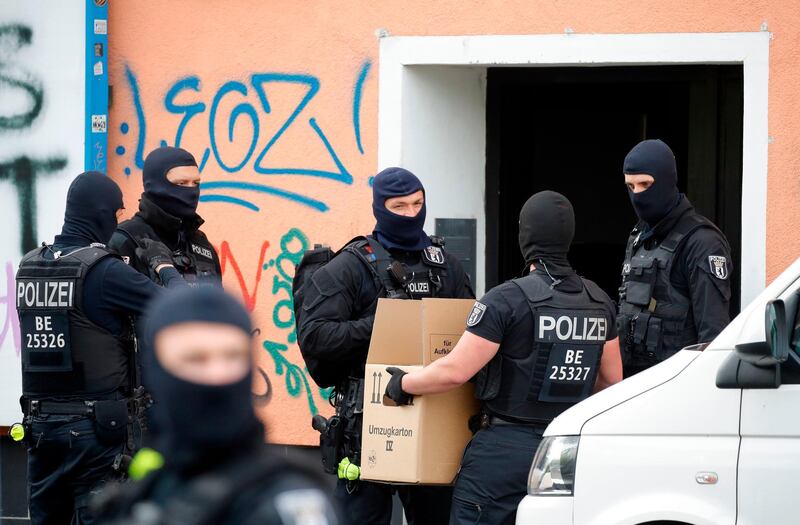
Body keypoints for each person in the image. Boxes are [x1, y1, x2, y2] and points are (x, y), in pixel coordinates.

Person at [383, 191, 623, 525]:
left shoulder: (505, 300)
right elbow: (611, 382)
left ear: (525, 237)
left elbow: (455, 371)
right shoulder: (599, 302)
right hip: (565, 451)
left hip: (502, 454)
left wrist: (403, 382)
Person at [297, 167, 474, 525]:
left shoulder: (445, 266)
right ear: (380, 208)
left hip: (435, 417)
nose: (411, 214)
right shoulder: (350, 266)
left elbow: (471, 333)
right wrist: (383, 323)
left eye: (417, 204)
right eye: (400, 207)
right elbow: (315, 337)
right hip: (366, 425)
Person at [15, 171, 185, 525]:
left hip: (40, 428)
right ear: (101, 212)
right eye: (117, 212)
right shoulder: (104, 272)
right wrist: (164, 266)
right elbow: (183, 309)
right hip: (94, 431)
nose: (118, 220)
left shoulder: (29, 267)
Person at [93, 286, 340, 525]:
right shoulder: (144, 492)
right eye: (195, 358)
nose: (217, 374)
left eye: (232, 356)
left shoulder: (288, 500)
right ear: (158, 369)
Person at [617, 139, 732, 377]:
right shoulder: (639, 235)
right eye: (631, 186)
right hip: (632, 385)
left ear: (667, 180)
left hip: (678, 387)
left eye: (645, 183)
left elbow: (713, 336)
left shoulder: (702, 242)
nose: (637, 194)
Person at [108, 146, 221, 286]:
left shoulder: (201, 244)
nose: (192, 191)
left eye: (196, 183)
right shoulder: (123, 241)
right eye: (181, 183)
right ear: (155, 186)